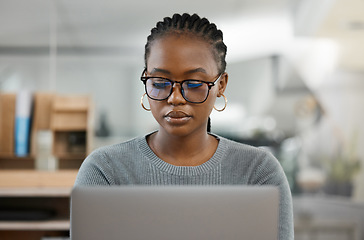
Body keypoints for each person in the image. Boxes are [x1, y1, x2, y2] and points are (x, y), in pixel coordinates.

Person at [74, 13, 294, 239]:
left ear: (221, 85)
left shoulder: (258, 173)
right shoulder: (105, 171)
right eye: (159, 83)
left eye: (194, 83)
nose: (175, 98)